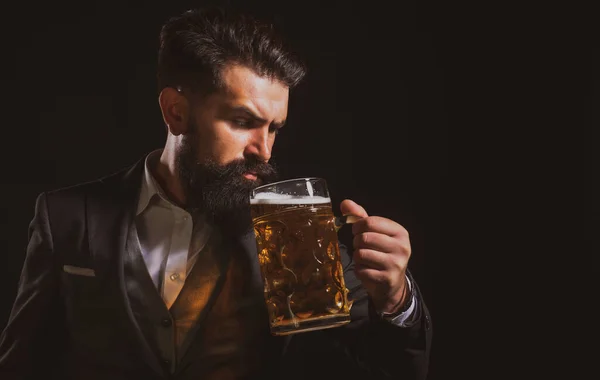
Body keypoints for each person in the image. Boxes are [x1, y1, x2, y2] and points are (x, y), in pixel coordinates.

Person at [0, 6, 431, 380]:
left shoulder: (294, 232)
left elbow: (389, 372)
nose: (263, 150)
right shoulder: (67, 217)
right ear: (176, 111)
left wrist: (396, 301)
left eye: (274, 128)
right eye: (244, 122)